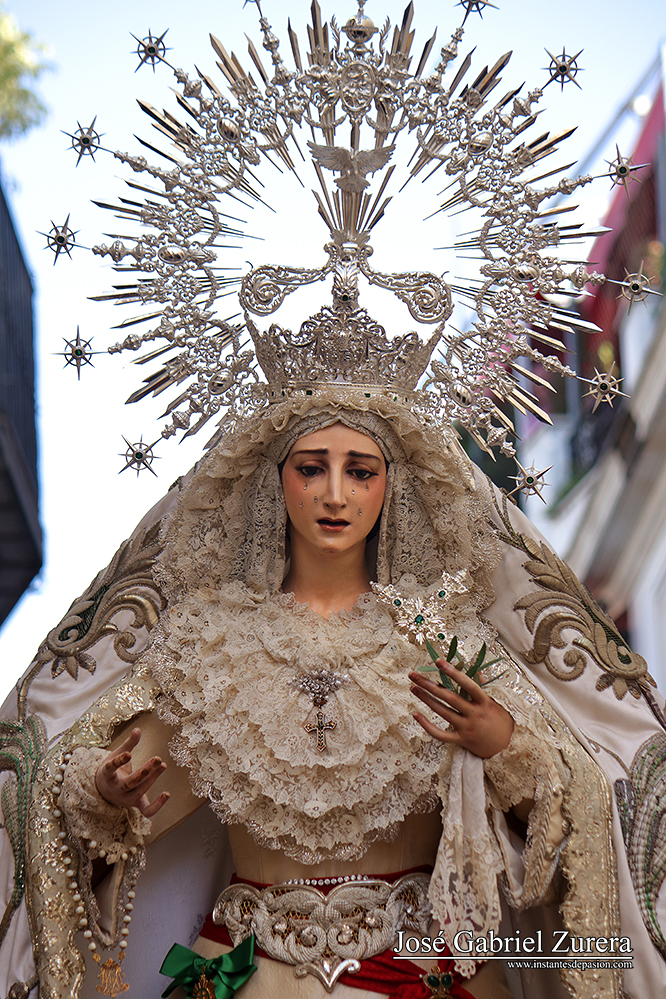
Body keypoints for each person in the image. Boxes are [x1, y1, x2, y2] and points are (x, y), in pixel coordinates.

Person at [7, 390, 664, 999]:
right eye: (312, 468)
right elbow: (122, 774)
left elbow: (566, 802)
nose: (335, 494)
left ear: (390, 485)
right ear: (276, 479)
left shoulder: (439, 640)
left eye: (361, 472)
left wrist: (501, 743)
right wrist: (107, 792)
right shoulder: (214, 648)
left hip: (418, 971)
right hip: (247, 972)